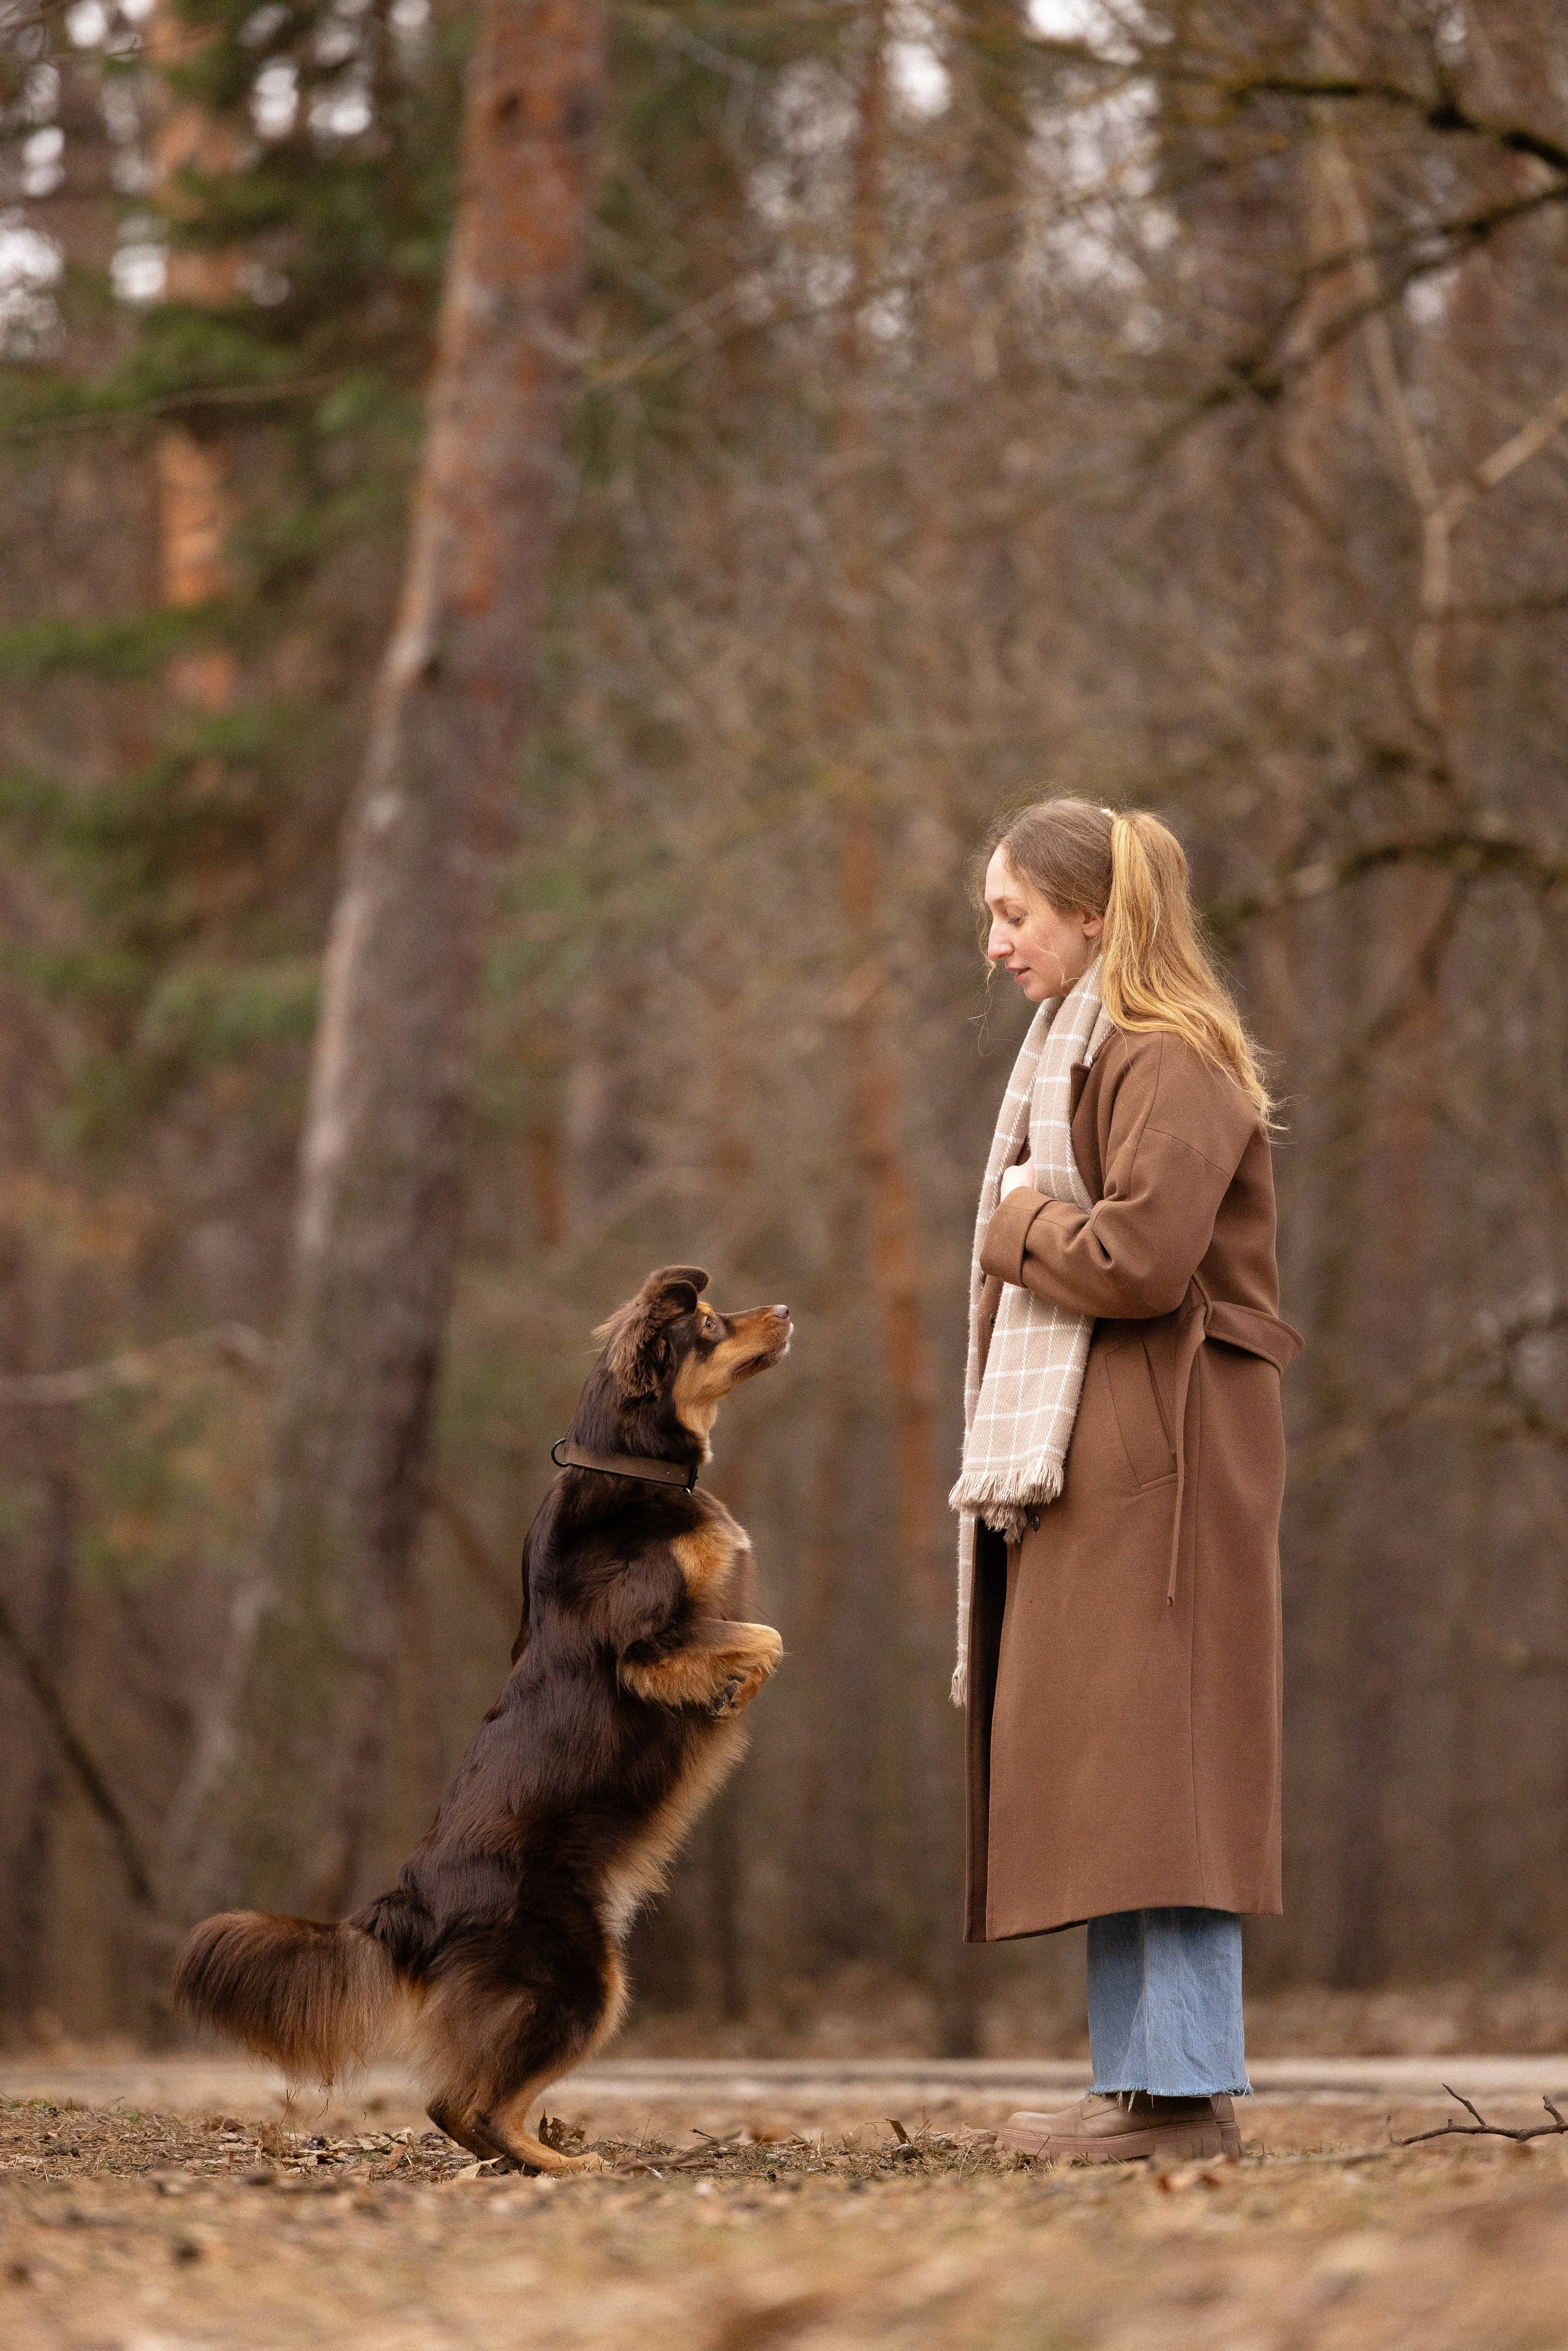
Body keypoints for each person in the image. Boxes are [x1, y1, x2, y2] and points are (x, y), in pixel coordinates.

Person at [951, 797, 1300, 2164]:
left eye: (1012, 913)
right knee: (1118, 1777)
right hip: (1109, 1455)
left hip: (1171, 1457)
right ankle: (1139, 2089)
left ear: (1093, 915)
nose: (994, 941)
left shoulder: (1167, 1059)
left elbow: (1144, 1260)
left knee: (1167, 1775)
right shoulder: (1081, 1051)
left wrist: (1018, 1221)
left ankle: (1182, 2098)